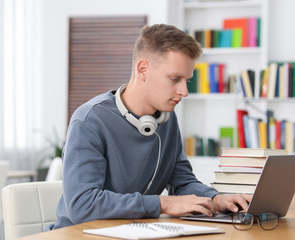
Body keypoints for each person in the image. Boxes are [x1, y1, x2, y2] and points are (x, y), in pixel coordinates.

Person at [48, 24, 251, 230]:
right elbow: (82, 205)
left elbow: (182, 181)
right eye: (175, 79)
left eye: (187, 81)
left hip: (133, 231)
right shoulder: (90, 121)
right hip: (78, 234)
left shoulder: (165, 120)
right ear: (143, 69)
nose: (184, 91)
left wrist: (216, 199)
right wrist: (162, 203)